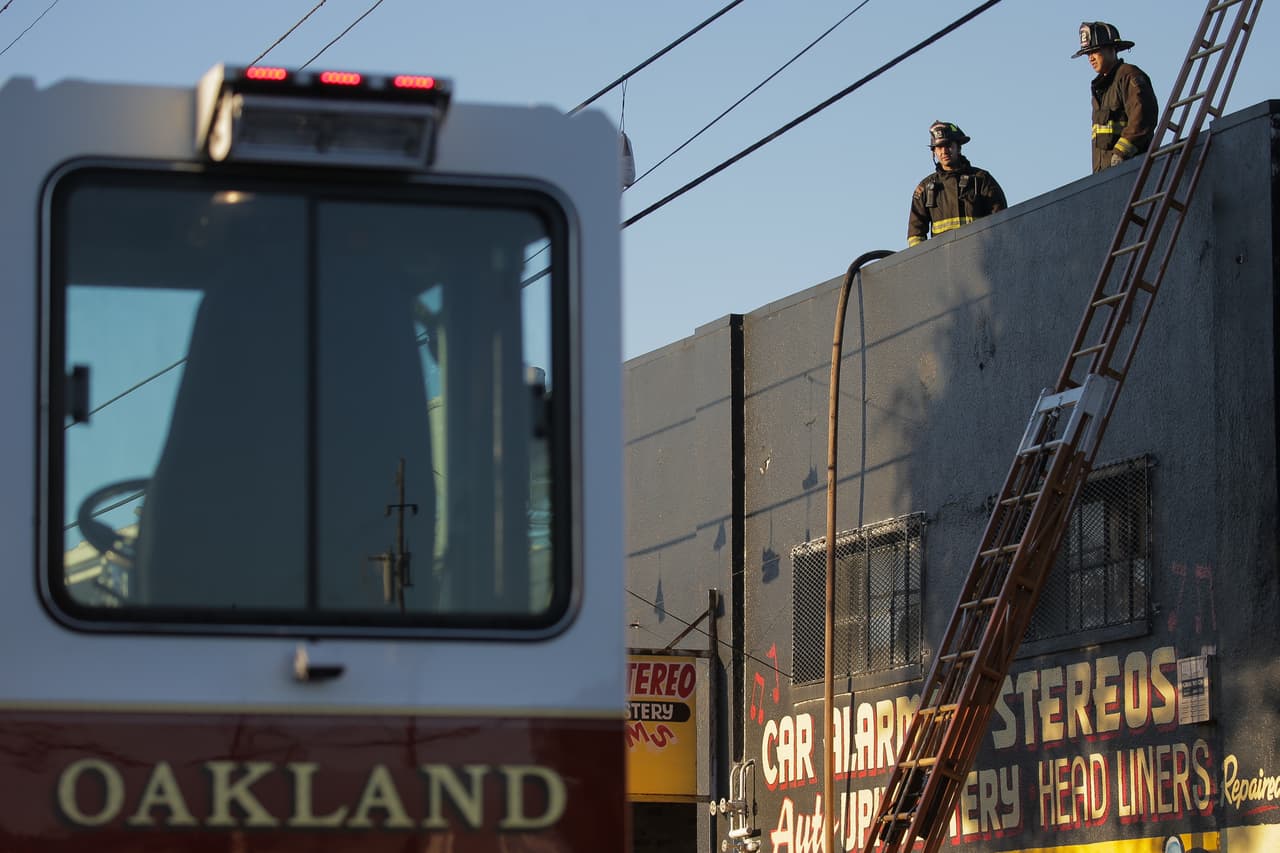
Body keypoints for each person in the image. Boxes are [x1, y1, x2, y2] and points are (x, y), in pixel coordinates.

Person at [1074, 21, 1159, 173]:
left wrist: (1121, 154)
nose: (1090, 58)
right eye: (1088, 54)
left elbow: (1143, 118)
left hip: (1133, 170)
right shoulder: (1101, 89)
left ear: (1112, 49)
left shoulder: (1129, 76)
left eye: (1095, 51)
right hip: (1106, 175)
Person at [907, 121, 1007, 248]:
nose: (944, 151)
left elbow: (1001, 221)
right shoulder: (925, 189)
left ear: (958, 148)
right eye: (939, 147)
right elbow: (915, 235)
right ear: (934, 152)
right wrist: (924, 258)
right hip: (942, 258)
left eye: (948, 145)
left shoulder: (982, 180)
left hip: (979, 253)